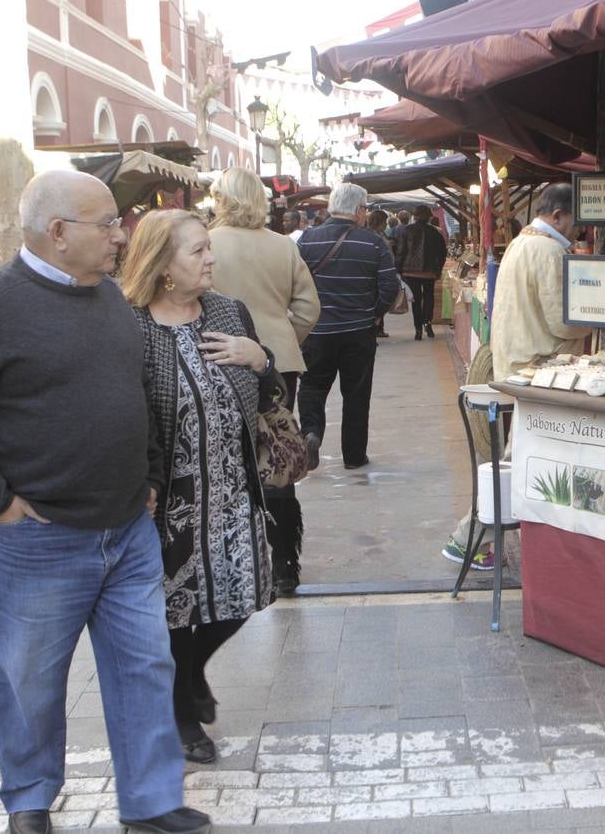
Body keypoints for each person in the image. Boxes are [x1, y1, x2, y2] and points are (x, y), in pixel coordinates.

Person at [0, 170, 209, 834]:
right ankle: (31, 804)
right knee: (30, 680)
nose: (122, 236)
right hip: (36, 539)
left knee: (145, 667)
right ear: (58, 232)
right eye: (108, 224)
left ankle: (151, 804)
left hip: (126, 529)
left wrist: (149, 476)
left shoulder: (108, 300)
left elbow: (138, 396)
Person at [120, 208, 281, 766]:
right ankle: (182, 716)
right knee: (176, 610)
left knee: (241, 597)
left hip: (234, 490)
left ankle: (190, 676)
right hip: (169, 499)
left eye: (209, 247)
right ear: (163, 265)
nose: (211, 259)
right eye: (197, 251)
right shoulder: (131, 325)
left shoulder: (227, 311)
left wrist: (260, 360)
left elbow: (269, 396)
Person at [442, 183, 592, 570]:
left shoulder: (522, 244)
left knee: (520, 456)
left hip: (519, 365)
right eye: (575, 221)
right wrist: (593, 323)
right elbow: (563, 321)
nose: (579, 230)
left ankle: (475, 536)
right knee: (520, 459)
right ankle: (468, 536)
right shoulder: (549, 249)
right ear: (558, 215)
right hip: (541, 370)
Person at [206, 168, 321, 595]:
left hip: (214, 358)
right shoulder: (282, 247)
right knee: (275, 456)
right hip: (279, 364)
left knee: (220, 456)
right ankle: (285, 561)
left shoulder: (204, 245)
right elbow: (309, 308)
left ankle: (229, 559)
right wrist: (285, 341)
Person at [297, 182, 399, 470]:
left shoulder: (307, 239)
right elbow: (390, 286)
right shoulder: (374, 242)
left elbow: (294, 284)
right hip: (358, 332)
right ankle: (354, 457)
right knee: (356, 393)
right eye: (365, 209)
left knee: (312, 387)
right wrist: (374, 313)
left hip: (317, 332)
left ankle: (311, 432)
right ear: (357, 211)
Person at [398, 205, 448, 341]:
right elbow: (443, 253)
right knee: (429, 297)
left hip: (410, 271)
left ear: (414, 215)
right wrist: (438, 270)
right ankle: (428, 323)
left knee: (416, 300)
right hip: (429, 271)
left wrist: (398, 269)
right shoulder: (435, 232)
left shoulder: (407, 231)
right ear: (429, 216)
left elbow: (401, 252)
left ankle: (418, 329)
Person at [366, 209, 395, 339]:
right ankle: (375, 329)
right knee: (377, 301)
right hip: (377, 275)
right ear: (381, 222)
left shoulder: (373, 234)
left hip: (374, 275)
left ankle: (377, 329)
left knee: (376, 301)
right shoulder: (375, 236)